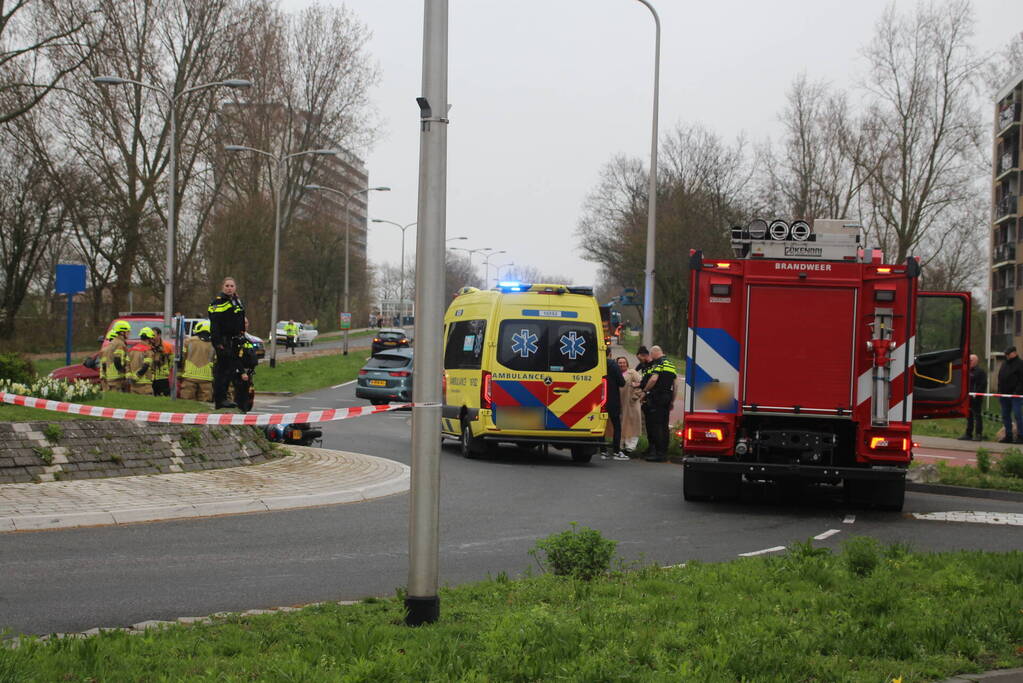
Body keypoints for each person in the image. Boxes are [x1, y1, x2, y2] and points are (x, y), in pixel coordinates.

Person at [208, 276, 246, 409]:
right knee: (222, 371)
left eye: (232, 286)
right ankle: (220, 400)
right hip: (223, 340)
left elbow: (240, 319)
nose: (229, 288)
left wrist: (242, 334)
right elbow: (215, 325)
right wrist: (218, 342)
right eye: (227, 286)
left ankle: (224, 397)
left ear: (235, 288)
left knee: (229, 370)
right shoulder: (218, 302)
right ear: (222, 287)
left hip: (234, 339)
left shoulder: (236, 301)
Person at [640, 345, 677, 462]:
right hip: (667, 397)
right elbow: (675, 385)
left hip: (657, 397)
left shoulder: (659, 363)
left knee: (655, 426)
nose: (651, 357)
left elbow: (653, 379)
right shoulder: (671, 364)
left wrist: (645, 391)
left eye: (651, 355)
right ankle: (663, 451)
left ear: (655, 353)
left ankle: (658, 453)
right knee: (664, 426)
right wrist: (672, 401)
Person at [601, 347, 627, 460]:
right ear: (610, 354)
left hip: (599, 399)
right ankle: (616, 451)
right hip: (612, 399)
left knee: (600, 425)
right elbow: (622, 383)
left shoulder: (596, 363)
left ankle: (603, 450)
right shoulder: (613, 365)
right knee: (616, 425)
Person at [179, 320, 215, 402]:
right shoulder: (214, 343)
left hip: (189, 376)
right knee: (205, 407)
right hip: (207, 378)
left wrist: (180, 373)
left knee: (187, 404)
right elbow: (216, 361)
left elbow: (182, 358)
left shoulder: (188, 341)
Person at [617, 356, 644, 454]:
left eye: (623, 362)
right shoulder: (616, 374)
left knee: (633, 424)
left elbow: (642, 384)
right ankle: (622, 444)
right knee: (623, 424)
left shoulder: (632, 373)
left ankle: (631, 446)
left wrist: (636, 396)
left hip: (631, 403)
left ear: (627, 364)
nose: (622, 364)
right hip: (621, 403)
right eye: (620, 363)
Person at [997, 347, 1023, 443]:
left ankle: (1021, 435)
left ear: (1015, 353)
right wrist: (999, 390)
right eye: (1006, 354)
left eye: (1008, 354)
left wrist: (1017, 391)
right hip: (1004, 395)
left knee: (1017, 414)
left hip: (1016, 395)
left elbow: (1021, 380)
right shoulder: (1004, 364)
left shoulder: (1020, 364)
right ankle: (1008, 435)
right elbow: (1000, 377)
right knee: (1005, 415)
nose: (1006, 355)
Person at [959, 354, 987, 442]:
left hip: (976, 397)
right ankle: (968, 434)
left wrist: (976, 394)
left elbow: (982, 385)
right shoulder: (967, 370)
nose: (969, 362)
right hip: (967, 397)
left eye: (971, 360)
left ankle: (978, 434)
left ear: (975, 361)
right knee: (968, 415)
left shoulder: (980, 372)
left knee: (977, 415)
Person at [100, 321, 131, 393]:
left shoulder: (111, 343)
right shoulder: (120, 343)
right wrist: (123, 372)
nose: (129, 333)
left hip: (110, 378)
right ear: (122, 332)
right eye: (127, 332)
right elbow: (117, 360)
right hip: (117, 379)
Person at [127, 327, 156, 395]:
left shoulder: (132, 349)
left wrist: (130, 376)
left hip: (133, 385)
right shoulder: (148, 351)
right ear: (149, 339)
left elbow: (127, 364)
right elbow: (146, 366)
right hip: (145, 384)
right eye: (152, 338)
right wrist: (137, 376)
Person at [150, 327, 174, 396]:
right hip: (150, 377)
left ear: (159, 335)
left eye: (154, 335)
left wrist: (166, 370)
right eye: (151, 335)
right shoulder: (149, 346)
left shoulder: (167, 346)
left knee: (165, 397)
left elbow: (172, 361)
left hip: (163, 377)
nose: (152, 337)